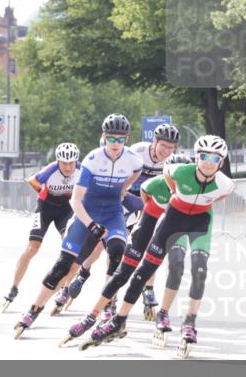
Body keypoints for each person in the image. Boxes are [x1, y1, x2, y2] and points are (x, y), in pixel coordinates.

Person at [77, 135, 234, 359]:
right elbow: (166, 178)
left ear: (222, 161)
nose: (209, 162)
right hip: (173, 217)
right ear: (196, 157)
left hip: (200, 222)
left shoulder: (226, 184)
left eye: (215, 158)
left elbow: (219, 197)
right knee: (143, 272)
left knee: (200, 269)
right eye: (204, 156)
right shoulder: (179, 171)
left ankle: (190, 322)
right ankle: (119, 320)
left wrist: (202, 204)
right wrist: (176, 195)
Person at [13, 114, 143, 339]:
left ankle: (108, 307)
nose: (115, 144)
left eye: (120, 140)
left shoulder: (132, 159)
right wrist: (91, 225)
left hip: (113, 213)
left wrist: (124, 188)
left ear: (127, 140)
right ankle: (33, 310)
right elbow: (75, 200)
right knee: (63, 266)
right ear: (103, 137)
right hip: (87, 212)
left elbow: (138, 171)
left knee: (116, 253)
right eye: (111, 139)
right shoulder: (93, 159)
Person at [58, 152, 192, 347]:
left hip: (171, 233)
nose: (176, 182)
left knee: (175, 267)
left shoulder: (192, 194)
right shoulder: (152, 185)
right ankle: (94, 314)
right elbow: (139, 205)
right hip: (145, 230)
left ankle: (161, 313)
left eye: (181, 177)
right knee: (121, 272)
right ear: (165, 174)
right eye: (172, 176)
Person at [59, 122, 181, 316]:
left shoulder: (172, 162)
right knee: (104, 244)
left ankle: (148, 290)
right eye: (163, 145)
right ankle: (83, 272)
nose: (166, 151)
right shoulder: (137, 152)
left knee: (150, 242)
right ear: (154, 141)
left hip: (149, 201)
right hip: (126, 197)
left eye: (170, 147)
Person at [1, 143, 81, 312]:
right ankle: (14, 287)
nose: (67, 167)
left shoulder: (82, 170)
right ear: (58, 161)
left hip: (66, 209)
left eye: (71, 163)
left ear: (76, 161)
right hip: (46, 207)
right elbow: (32, 180)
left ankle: (64, 289)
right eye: (64, 163)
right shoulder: (51, 170)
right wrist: (42, 192)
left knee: (70, 248)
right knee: (32, 248)